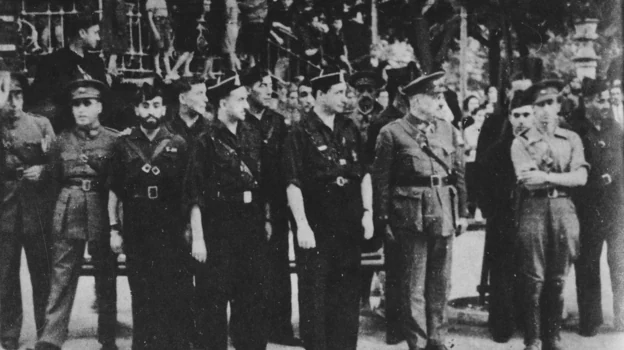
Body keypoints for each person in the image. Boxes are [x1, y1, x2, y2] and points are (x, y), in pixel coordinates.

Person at [373, 71, 468, 350]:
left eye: (440, 95)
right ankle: (418, 342)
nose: (440, 100)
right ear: (415, 100)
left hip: (444, 211)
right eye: (433, 96)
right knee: (413, 286)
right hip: (410, 216)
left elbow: (458, 173)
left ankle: (437, 340)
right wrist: (383, 220)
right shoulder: (392, 132)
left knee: (440, 283)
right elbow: (382, 181)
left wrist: (462, 211)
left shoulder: (448, 130)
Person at [283, 69, 374, 350]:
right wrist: (302, 225)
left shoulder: (349, 128)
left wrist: (368, 212)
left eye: (345, 92)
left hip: (347, 227)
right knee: (315, 299)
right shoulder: (299, 132)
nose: (344, 97)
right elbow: (292, 182)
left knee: (347, 299)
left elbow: (365, 174)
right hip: (317, 228)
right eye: (337, 92)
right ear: (319, 95)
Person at [185, 70, 269, 350]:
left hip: (251, 222)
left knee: (252, 295)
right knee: (213, 297)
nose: (246, 105)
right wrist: (198, 237)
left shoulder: (252, 134)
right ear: (223, 103)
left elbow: (262, 181)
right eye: (241, 99)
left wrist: (265, 217)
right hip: (218, 224)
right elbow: (194, 192)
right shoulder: (204, 140)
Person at [35, 76, 119, 350]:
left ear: (100, 107)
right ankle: (51, 336)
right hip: (68, 208)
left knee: (105, 273)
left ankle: (107, 337)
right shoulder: (61, 141)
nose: (81, 109)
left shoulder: (114, 141)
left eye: (87, 103)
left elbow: (117, 183)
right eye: (76, 105)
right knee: (62, 274)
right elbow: (53, 179)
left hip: (100, 208)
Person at [107, 83, 193, 349]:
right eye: (145, 105)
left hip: (170, 226)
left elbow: (187, 192)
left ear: (164, 108)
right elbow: (114, 191)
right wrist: (114, 228)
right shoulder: (123, 144)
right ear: (136, 109)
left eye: (156, 105)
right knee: (141, 290)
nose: (151, 111)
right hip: (137, 225)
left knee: (173, 287)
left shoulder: (178, 143)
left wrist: (189, 227)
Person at [511, 79, 589, 350]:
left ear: (558, 106)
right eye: (539, 105)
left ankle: (552, 338)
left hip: (563, 210)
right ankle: (532, 339)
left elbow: (581, 177)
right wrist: (558, 177)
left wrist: (545, 174)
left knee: (557, 279)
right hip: (534, 209)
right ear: (532, 109)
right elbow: (527, 181)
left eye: (550, 103)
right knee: (534, 279)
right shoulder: (521, 142)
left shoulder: (572, 139)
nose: (545, 110)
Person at [240, 66, 299, 346]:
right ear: (248, 89)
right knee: (248, 267)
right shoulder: (239, 120)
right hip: (246, 203)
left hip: (275, 202)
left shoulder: (278, 121)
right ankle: (247, 329)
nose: (268, 90)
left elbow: (286, 162)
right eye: (262, 85)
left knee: (278, 265)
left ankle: (280, 328)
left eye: (269, 85)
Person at [0, 73, 55, 350]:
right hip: (5, 212)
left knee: (42, 274)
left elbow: (58, 165)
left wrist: (44, 170)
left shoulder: (40, 124)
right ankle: (9, 336)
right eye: (7, 95)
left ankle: (46, 334)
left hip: (36, 211)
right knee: (5, 276)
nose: (12, 102)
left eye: (18, 95)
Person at [477, 90, 535, 342]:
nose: (521, 120)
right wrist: (493, 214)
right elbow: (483, 185)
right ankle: (501, 325)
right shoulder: (497, 150)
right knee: (502, 274)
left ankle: (526, 320)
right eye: (516, 115)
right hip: (503, 221)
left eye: (526, 115)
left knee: (530, 272)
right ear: (509, 117)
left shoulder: (540, 148)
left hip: (532, 219)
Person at [571, 78, 624, 336]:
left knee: (620, 264)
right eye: (600, 100)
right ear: (587, 101)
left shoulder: (616, 129)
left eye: (607, 100)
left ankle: (622, 319)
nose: (606, 104)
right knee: (588, 265)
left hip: (616, 209)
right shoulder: (575, 130)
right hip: (587, 209)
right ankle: (590, 321)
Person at [30, 13, 107, 132]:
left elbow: (106, 98)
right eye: (95, 33)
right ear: (82, 33)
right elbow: (39, 102)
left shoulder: (96, 63)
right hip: (63, 129)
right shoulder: (51, 62)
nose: (98, 38)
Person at [166, 76, 210, 142]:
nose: (206, 99)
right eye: (199, 94)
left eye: (205, 93)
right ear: (182, 98)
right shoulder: (167, 128)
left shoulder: (210, 130)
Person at [146, 0, 174, 78]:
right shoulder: (151, 1)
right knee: (157, 47)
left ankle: (168, 70)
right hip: (157, 22)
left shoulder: (164, 1)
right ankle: (157, 69)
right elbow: (150, 18)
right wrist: (155, 31)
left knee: (166, 47)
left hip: (166, 23)